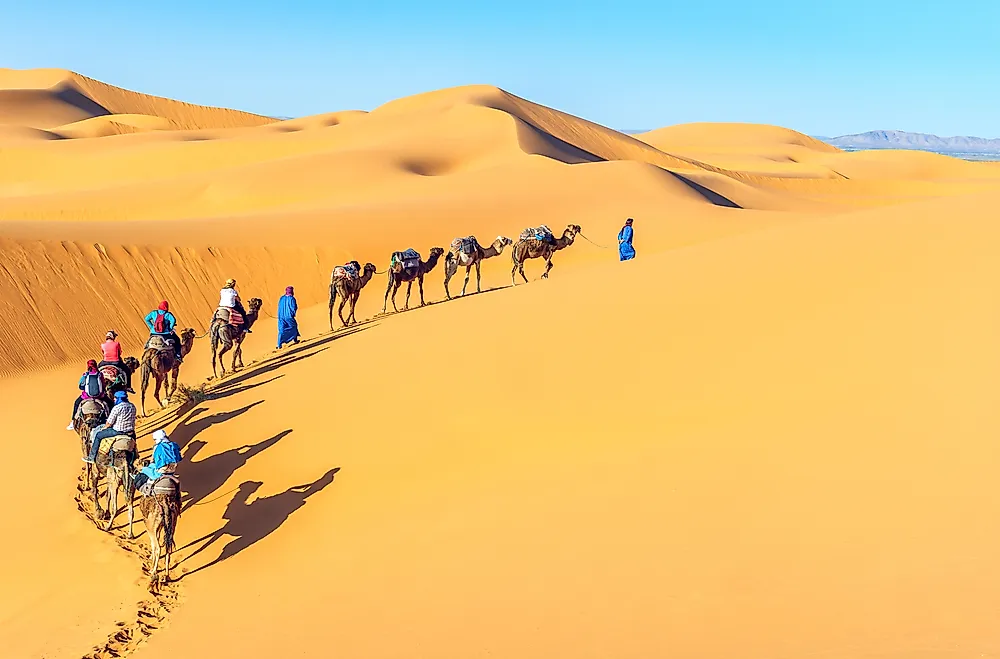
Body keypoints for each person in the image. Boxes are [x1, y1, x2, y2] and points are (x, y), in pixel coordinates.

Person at [84, 390, 136, 463]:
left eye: (115, 398)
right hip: (130, 432)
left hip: (117, 432)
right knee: (133, 445)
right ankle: (135, 458)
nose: (114, 399)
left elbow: (109, 423)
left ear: (119, 398)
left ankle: (92, 457)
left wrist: (104, 428)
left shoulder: (117, 408)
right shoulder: (132, 406)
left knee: (98, 435)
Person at [68, 359, 105, 430]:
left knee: (76, 403)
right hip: (100, 396)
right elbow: (103, 385)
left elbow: (80, 386)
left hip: (86, 396)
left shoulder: (85, 375)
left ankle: (73, 422)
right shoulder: (100, 374)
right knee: (110, 404)